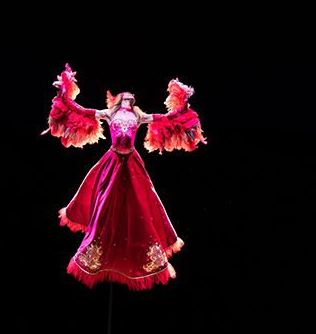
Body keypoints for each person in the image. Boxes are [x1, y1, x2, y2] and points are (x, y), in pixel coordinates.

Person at [41, 64, 207, 291]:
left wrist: (183, 103)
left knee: (140, 202)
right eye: (125, 95)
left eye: (132, 96)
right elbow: (82, 111)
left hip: (131, 162)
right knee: (104, 203)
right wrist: (65, 96)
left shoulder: (138, 115)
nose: (129, 96)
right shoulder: (110, 113)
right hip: (112, 161)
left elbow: (166, 117)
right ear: (119, 99)